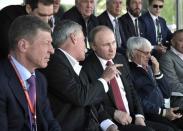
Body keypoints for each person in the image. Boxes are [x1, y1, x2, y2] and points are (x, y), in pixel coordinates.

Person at [82, 25, 167, 131]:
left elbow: (132, 90)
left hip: (133, 116)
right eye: (106, 45)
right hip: (113, 122)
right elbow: (91, 101)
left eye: (113, 42)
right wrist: (114, 113)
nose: (112, 48)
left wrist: (139, 115)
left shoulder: (120, 58)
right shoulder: (87, 67)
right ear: (93, 46)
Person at [42, 20, 122, 131]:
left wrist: (108, 124)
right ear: (73, 38)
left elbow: (92, 101)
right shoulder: (54, 63)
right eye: (84, 40)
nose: (86, 45)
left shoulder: (74, 64)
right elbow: (80, 97)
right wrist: (104, 79)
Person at [0, 15, 61, 131]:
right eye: (46, 43)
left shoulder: (40, 79)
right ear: (23, 45)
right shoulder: (1, 81)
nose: (52, 50)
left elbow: (50, 122)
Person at [126, 36, 183, 131]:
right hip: (150, 113)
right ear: (134, 52)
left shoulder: (149, 67)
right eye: (146, 53)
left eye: (150, 52)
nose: (149, 56)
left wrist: (157, 72)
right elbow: (137, 99)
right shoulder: (129, 71)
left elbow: (167, 92)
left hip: (163, 109)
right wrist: (163, 112)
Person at [159, 29, 183, 108]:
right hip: (178, 98)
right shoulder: (167, 58)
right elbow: (173, 85)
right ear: (172, 42)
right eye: (181, 40)